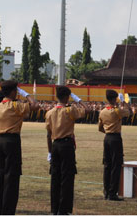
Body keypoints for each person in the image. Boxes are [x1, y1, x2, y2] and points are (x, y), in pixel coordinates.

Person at [0, 80, 39, 215]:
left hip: (0, 142)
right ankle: (8, 210)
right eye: (16, 90)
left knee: (0, 176)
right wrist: (27, 94)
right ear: (12, 91)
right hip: (12, 142)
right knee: (12, 177)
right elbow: (35, 106)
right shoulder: (15, 106)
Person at [45, 86, 87, 215]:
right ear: (66, 97)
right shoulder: (70, 110)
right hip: (66, 146)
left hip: (55, 145)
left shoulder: (50, 112)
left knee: (55, 178)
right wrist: (79, 100)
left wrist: (49, 152)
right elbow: (86, 110)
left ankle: (54, 208)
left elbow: (48, 134)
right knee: (67, 178)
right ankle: (64, 209)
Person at [98, 90, 131, 201]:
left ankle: (106, 192)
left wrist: (108, 131)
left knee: (107, 165)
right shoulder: (117, 111)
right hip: (115, 139)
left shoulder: (102, 111)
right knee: (116, 165)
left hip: (107, 138)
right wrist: (124, 101)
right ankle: (112, 193)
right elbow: (129, 112)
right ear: (114, 99)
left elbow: (100, 128)